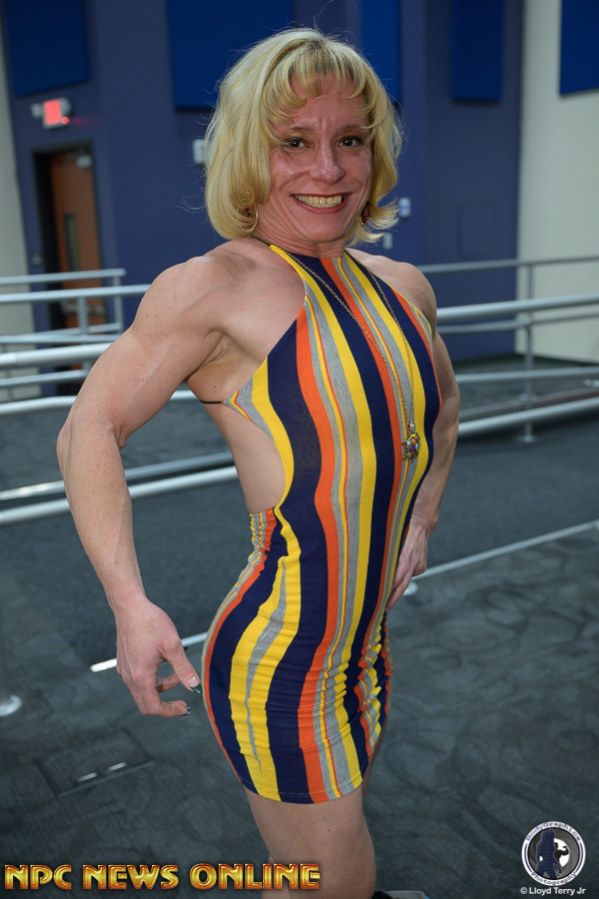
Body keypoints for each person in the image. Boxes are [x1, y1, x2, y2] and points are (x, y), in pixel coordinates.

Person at [57, 27, 459, 899]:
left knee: (303, 869)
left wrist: (421, 517)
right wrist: (129, 603)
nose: (328, 168)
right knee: (335, 874)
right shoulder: (215, 286)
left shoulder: (402, 288)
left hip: (365, 645)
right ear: (247, 151)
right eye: (293, 143)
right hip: (281, 660)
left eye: (349, 139)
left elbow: (443, 404)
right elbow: (88, 426)